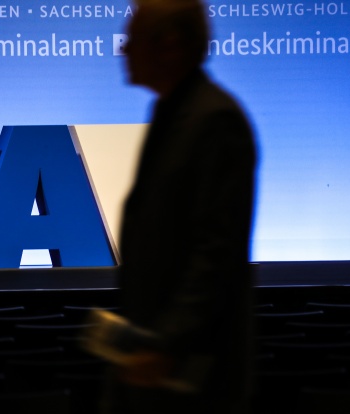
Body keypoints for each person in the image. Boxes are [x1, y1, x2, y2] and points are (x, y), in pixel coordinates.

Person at [101, 0, 257, 413]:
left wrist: (167, 344)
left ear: (168, 45)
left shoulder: (215, 121)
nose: (122, 49)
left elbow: (216, 254)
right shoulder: (172, 112)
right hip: (158, 365)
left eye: (132, 39)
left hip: (190, 378)